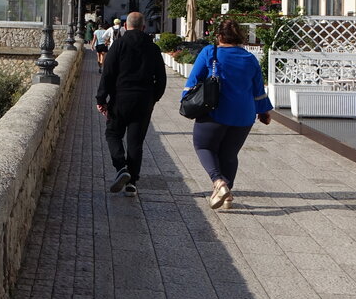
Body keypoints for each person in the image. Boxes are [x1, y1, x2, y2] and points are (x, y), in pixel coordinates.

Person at [182, 18, 273, 210]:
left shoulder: (210, 52)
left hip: (215, 111)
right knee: (230, 154)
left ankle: (219, 183)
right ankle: (228, 195)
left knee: (203, 145)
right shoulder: (250, 58)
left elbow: (193, 80)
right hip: (244, 115)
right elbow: (258, 89)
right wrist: (264, 111)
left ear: (219, 36)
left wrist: (186, 99)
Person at [96, 11, 167, 195]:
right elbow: (161, 78)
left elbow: (108, 74)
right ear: (144, 27)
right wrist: (153, 98)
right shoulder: (153, 49)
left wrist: (101, 99)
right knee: (136, 142)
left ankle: (121, 168)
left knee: (113, 134)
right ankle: (132, 183)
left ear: (126, 26)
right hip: (143, 101)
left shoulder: (118, 45)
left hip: (120, 99)